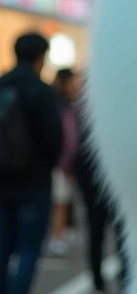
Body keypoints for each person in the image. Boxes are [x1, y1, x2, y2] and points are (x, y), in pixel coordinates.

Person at [0, 33, 63, 294]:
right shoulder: (40, 90)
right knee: (27, 249)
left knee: (2, 246)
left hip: (2, 182)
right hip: (34, 182)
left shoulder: (2, 84)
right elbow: (54, 139)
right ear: (41, 56)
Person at [73, 93, 129, 294]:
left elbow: (75, 149)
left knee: (96, 231)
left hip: (92, 181)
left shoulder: (82, 109)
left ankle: (98, 284)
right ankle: (124, 280)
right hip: (115, 180)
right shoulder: (120, 112)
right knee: (120, 231)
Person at [48, 67, 81, 256]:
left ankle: (60, 234)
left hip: (64, 163)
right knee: (60, 202)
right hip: (60, 163)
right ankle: (56, 237)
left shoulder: (67, 104)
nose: (75, 86)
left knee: (63, 201)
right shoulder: (60, 105)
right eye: (73, 82)